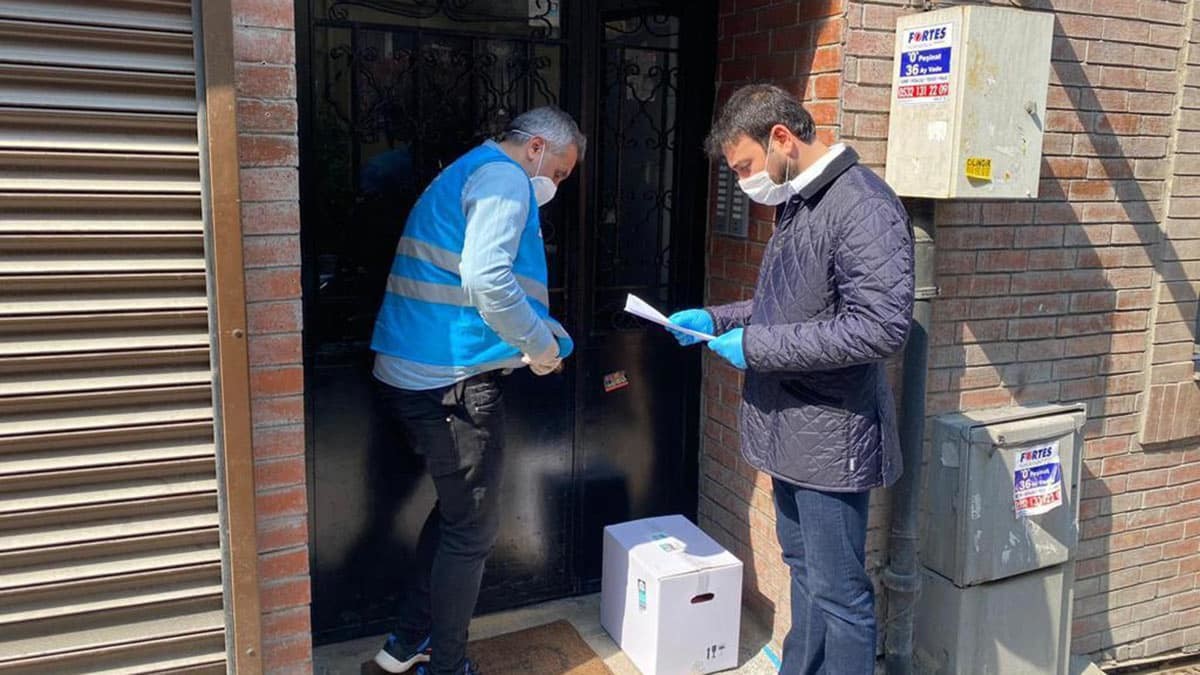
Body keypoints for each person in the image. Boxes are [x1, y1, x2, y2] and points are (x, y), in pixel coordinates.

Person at [669, 84, 914, 674]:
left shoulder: (862, 204)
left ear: (781, 137)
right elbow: (787, 306)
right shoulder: (800, 201)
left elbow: (880, 328)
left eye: (747, 166)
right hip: (793, 431)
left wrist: (755, 345)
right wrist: (718, 319)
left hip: (832, 436)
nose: (747, 181)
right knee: (805, 573)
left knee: (840, 595)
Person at [369, 106, 585, 675]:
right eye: (560, 172)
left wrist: (538, 333)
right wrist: (541, 348)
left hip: (419, 371)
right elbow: (487, 279)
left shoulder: (469, 168)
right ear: (536, 146)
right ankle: (447, 666)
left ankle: (405, 645)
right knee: (471, 531)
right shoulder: (506, 178)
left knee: (458, 517)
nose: (555, 185)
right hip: (452, 385)